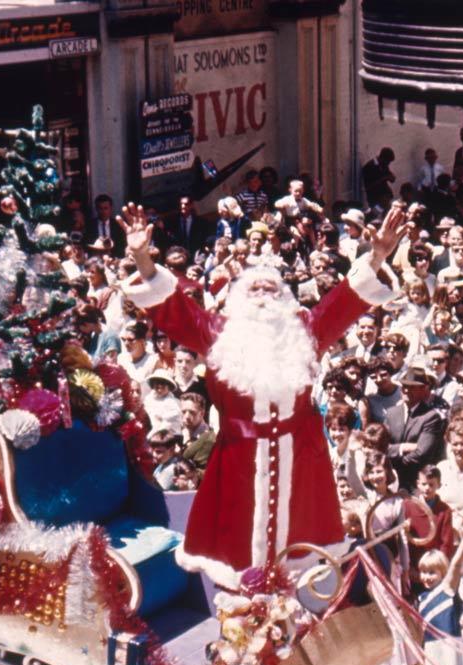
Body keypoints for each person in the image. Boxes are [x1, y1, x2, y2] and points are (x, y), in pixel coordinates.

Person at [117, 201, 409, 588]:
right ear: (236, 299)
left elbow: (345, 301)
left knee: (299, 564)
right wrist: (141, 258)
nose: (262, 295)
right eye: (253, 288)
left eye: (272, 289)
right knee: (237, 570)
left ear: (287, 300)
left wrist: (376, 255)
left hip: (300, 463)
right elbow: (172, 308)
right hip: (238, 464)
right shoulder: (217, 332)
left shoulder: (306, 329)